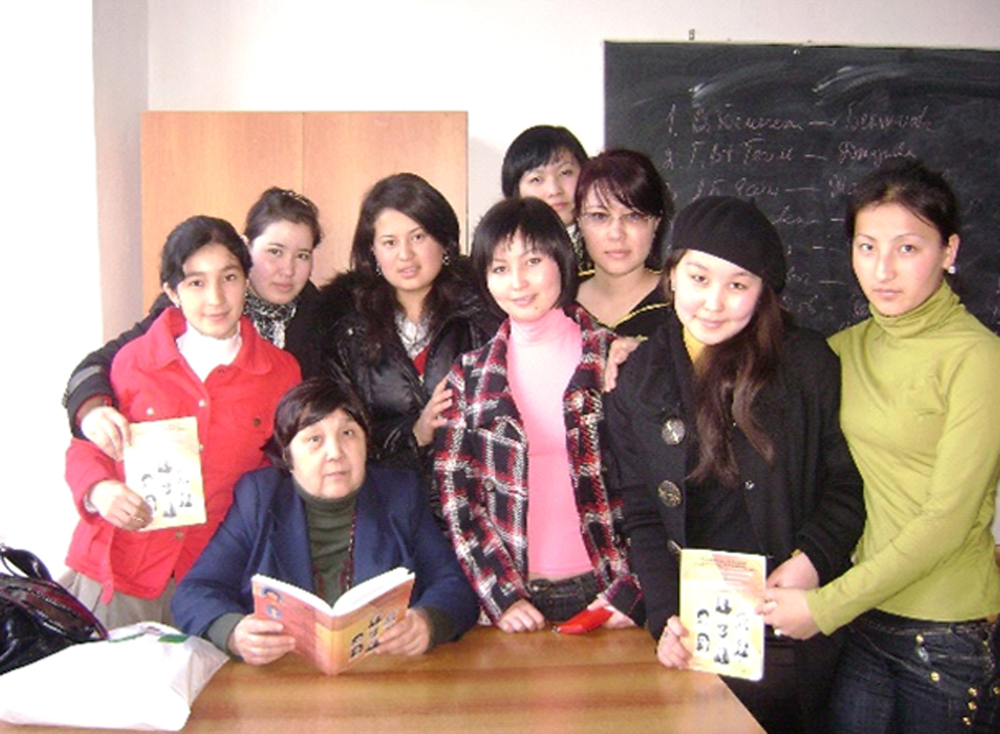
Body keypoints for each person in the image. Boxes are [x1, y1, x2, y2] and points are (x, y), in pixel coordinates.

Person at [604, 196, 865, 734]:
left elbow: (847, 484)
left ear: (763, 292)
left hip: (790, 624)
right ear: (672, 274)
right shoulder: (638, 374)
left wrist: (811, 560)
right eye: (698, 278)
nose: (713, 303)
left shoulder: (806, 363)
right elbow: (644, 512)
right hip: (700, 631)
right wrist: (665, 618)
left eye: (738, 285)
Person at [760, 159, 1000, 734]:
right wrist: (638, 352)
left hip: (945, 634)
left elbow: (947, 519)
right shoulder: (844, 349)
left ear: (948, 251)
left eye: (907, 248)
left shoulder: (977, 359)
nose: (883, 269)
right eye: (867, 247)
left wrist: (825, 607)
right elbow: (746, 362)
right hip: (866, 621)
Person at [63, 215, 302, 627]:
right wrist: (99, 490)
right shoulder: (132, 361)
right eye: (196, 282)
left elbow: (280, 476)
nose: (216, 298)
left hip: (212, 581)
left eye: (229, 278)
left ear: (247, 281)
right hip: (118, 571)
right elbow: (85, 448)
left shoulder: (281, 372)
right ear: (172, 292)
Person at [435, 196, 643, 633]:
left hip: (611, 594)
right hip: (513, 603)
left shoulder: (613, 359)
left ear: (561, 259)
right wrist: (502, 597)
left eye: (532, 261)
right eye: (499, 268)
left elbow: (655, 488)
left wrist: (633, 590)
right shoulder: (470, 376)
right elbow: (459, 502)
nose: (518, 282)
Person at [171, 378, 479, 663]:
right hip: (284, 677)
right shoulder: (259, 498)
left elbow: (455, 585)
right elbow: (194, 591)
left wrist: (427, 623)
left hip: (382, 673)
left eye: (348, 434)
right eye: (315, 439)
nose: (335, 453)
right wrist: (234, 633)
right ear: (288, 456)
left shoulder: (400, 494)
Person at [63, 187, 324, 460]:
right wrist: (93, 411)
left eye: (302, 255)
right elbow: (99, 366)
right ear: (246, 248)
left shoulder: (321, 320)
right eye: (275, 252)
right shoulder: (185, 313)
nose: (288, 270)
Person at [319, 173, 498, 522]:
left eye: (418, 237)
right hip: (387, 512)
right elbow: (341, 430)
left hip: (476, 510)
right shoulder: (347, 329)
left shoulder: (486, 311)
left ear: (444, 241)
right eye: (389, 242)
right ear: (372, 251)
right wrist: (414, 433)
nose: (405, 255)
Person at [575, 149, 674, 337]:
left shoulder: (682, 306)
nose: (616, 234)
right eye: (599, 216)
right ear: (579, 221)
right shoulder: (557, 300)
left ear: (656, 222)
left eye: (633, 216)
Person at [501, 125, 590, 269]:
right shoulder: (500, 252)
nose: (554, 190)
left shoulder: (607, 245)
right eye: (536, 179)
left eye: (565, 173)